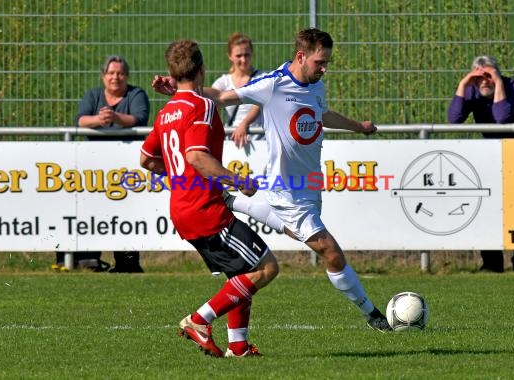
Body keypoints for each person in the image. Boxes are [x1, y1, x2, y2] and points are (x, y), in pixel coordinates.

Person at [153, 28, 392, 332]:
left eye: (327, 62)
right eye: (320, 62)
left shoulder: (316, 86)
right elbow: (223, 97)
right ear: (301, 56)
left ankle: (238, 345)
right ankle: (373, 315)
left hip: (306, 193)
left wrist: (359, 127)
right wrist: (179, 90)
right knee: (331, 252)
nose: (324, 68)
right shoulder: (273, 84)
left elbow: (323, 114)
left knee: (252, 265)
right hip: (286, 196)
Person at [141, 39, 279, 358]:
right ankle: (199, 320)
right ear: (202, 69)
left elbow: (147, 160)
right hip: (205, 209)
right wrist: (237, 180)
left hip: (182, 209)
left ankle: (239, 346)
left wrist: (180, 174)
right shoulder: (201, 106)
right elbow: (197, 157)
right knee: (265, 268)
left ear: (172, 74)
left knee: (239, 272)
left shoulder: (166, 112)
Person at [54, 55, 149, 273]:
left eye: (120, 73)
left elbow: (139, 118)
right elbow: (80, 120)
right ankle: (88, 260)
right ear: (103, 76)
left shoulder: (136, 94)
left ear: (127, 76)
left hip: (126, 167)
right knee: (90, 209)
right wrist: (100, 120)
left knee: (126, 212)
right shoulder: (93, 95)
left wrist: (115, 117)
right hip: (95, 167)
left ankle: (127, 263)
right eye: (111, 73)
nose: (116, 77)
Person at [448, 55, 514, 272]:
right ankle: (492, 263)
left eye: (488, 75)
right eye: (479, 77)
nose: (484, 81)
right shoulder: (472, 87)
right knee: (485, 205)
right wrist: (464, 83)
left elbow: (502, 117)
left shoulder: (512, 86)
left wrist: (498, 81)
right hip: (494, 153)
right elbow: (454, 118)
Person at [212, 33, 264, 150]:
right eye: (239, 55)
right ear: (230, 56)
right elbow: (212, 99)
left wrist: (244, 124)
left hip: (258, 144)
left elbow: (259, 103)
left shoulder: (262, 78)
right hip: (231, 144)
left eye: (247, 55)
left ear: (252, 53)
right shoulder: (223, 82)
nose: (243, 59)